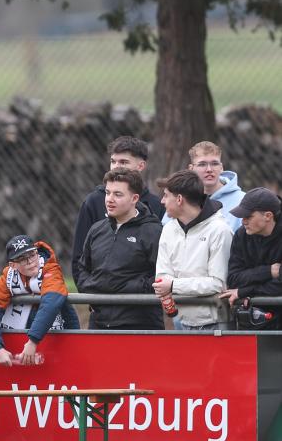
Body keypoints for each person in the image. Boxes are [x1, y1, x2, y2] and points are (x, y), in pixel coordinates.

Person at [76, 169, 163, 330]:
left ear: (134, 198)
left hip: (140, 324)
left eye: (118, 194)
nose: (109, 199)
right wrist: (94, 290)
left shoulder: (154, 231)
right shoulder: (97, 229)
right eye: (107, 193)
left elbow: (162, 276)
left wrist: (126, 288)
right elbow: (82, 269)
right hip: (99, 322)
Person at [72, 136, 164, 284]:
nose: (116, 166)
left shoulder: (156, 205)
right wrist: (89, 288)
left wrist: (139, 289)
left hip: (139, 296)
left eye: (123, 162)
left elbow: (160, 263)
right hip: (97, 293)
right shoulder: (94, 201)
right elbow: (80, 257)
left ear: (141, 166)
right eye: (113, 161)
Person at [0, 235, 80, 366]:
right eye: (22, 259)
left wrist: (32, 341)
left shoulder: (51, 269)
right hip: (21, 348)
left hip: (60, 341)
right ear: (13, 265)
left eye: (32, 255)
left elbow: (50, 304)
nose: (30, 262)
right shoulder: (7, 277)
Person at [153, 170, 232, 331]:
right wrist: (168, 285)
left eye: (166, 195)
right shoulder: (168, 229)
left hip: (216, 324)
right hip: (180, 322)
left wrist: (173, 285)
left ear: (179, 199)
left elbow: (218, 284)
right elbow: (162, 276)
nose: (162, 201)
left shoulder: (220, 230)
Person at [220, 187, 282, 329]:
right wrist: (269, 272)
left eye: (248, 216)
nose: (243, 221)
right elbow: (234, 279)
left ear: (268, 216)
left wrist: (245, 291)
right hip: (252, 322)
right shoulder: (241, 235)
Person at [163, 141, 244, 232]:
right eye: (202, 164)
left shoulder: (241, 201)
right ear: (191, 169)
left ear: (221, 167)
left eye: (214, 163)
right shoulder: (179, 199)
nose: (209, 169)